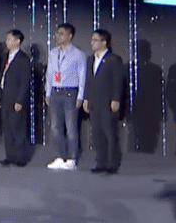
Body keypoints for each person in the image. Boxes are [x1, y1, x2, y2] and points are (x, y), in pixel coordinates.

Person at [84, 29, 127, 174]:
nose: (92, 43)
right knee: (97, 134)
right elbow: (88, 81)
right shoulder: (90, 59)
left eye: (95, 40)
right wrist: (86, 98)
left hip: (108, 102)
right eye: (92, 40)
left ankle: (112, 164)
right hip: (94, 102)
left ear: (104, 42)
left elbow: (118, 81)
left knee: (110, 133)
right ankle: (100, 163)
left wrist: (116, 99)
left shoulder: (114, 59)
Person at [46, 23, 87, 171]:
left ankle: (71, 158)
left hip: (70, 92)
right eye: (57, 33)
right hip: (55, 91)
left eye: (61, 33)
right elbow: (50, 74)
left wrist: (80, 96)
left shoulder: (78, 54)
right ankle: (59, 156)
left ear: (70, 36)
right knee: (55, 127)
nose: (58, 36)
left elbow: (82, 76)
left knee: (71, 127)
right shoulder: (53, 53)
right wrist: (48, 92)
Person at [0, 30, 32, 166]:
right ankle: (10, 156)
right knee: (7, 128)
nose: (6, 42)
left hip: (16, 98)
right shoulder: (6, 57)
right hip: (5, 96)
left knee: (18, 128)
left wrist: (20, 100)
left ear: (17, 41)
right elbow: (1, 77)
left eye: (9, 39)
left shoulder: (23, 59)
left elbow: (25, 82)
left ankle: (20, 158)